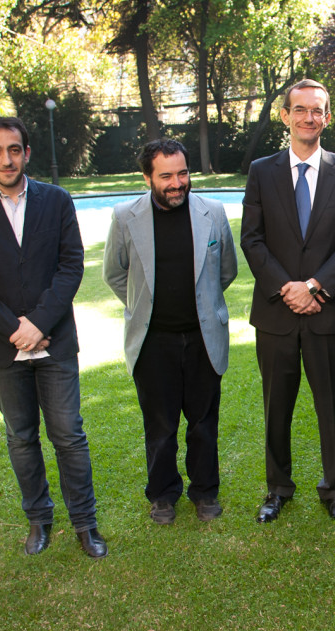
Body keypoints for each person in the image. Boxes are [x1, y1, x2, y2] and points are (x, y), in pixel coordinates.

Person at [0, 116, 107, 558]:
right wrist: (16, 331)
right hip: (2, 347)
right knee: (21, 437)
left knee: (69, 435)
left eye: (14, 149)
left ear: (27, 153)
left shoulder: (56, 201)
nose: (7, 159)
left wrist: (39, 324)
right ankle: (39, 520)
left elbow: (71, 267)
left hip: (54, 342)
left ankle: (85, 524)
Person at [241, 79, 335, 525]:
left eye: (317, 110)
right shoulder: (262, 171)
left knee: (331, 408)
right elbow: (252, 239)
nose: (308, 117)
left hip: (327, 313)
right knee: (276, 406)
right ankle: (277, 488)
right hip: (276, 314)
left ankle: (334, 490)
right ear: (285, 115)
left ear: (327, 117)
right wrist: (288, 288)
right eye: (300, 109)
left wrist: (314, 286)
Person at [103, 139, 238, 525]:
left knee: (203, 424)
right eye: (166, 176)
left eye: (182, 173)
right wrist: (144, 307)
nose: (177, 183)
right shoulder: (125, 216)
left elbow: (226, 270)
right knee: (160, 427)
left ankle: (205, 492)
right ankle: (162, 495)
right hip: (153, 342)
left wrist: (202, 306)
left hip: (203, 339)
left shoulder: (213, 213)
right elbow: (115, 273)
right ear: (147, 178)